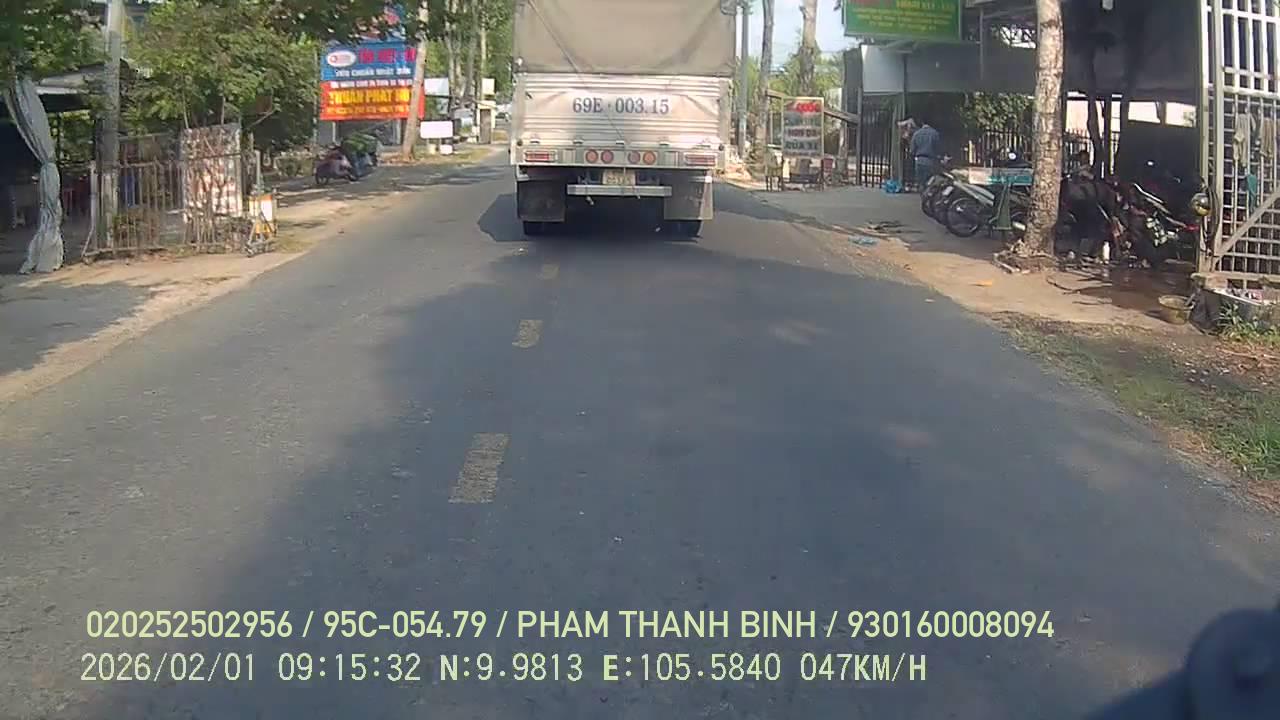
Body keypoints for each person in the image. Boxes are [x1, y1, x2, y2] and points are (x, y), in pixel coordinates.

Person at [909, 120, 942, 192]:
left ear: (922, 123)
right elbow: (938, 149)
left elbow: (912, 150)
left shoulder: (917, 134)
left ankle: (922, 196)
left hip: (919, 161)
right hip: (930, 161)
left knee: (921, 183)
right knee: (930, 183)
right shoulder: (935, 133)